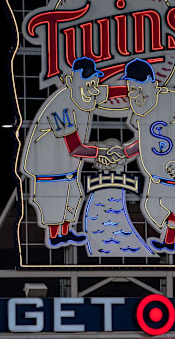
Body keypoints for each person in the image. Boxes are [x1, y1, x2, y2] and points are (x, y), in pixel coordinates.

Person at [20, 57, 124, 248]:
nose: (93, 89)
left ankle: (66, 234)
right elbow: (74, 147)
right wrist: (101, 151)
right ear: (70, 82)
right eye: (89, 84)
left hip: (68, 170)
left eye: (94, 83)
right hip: (48, 171)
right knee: (54, 206)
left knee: (73, 199)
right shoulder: (61, 105)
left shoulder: (85, 92)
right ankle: (54, 237)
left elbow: (108, 92)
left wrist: (135, 90)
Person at [118, 58, 175, 254]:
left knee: (170, 209)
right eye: (131, 87)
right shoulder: (140, 107)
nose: (134, 92)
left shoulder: (173, 99)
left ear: (150, 81)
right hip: (155, 175)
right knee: (153, 209)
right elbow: (145, 141)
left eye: (137, 86)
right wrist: (125, 152)